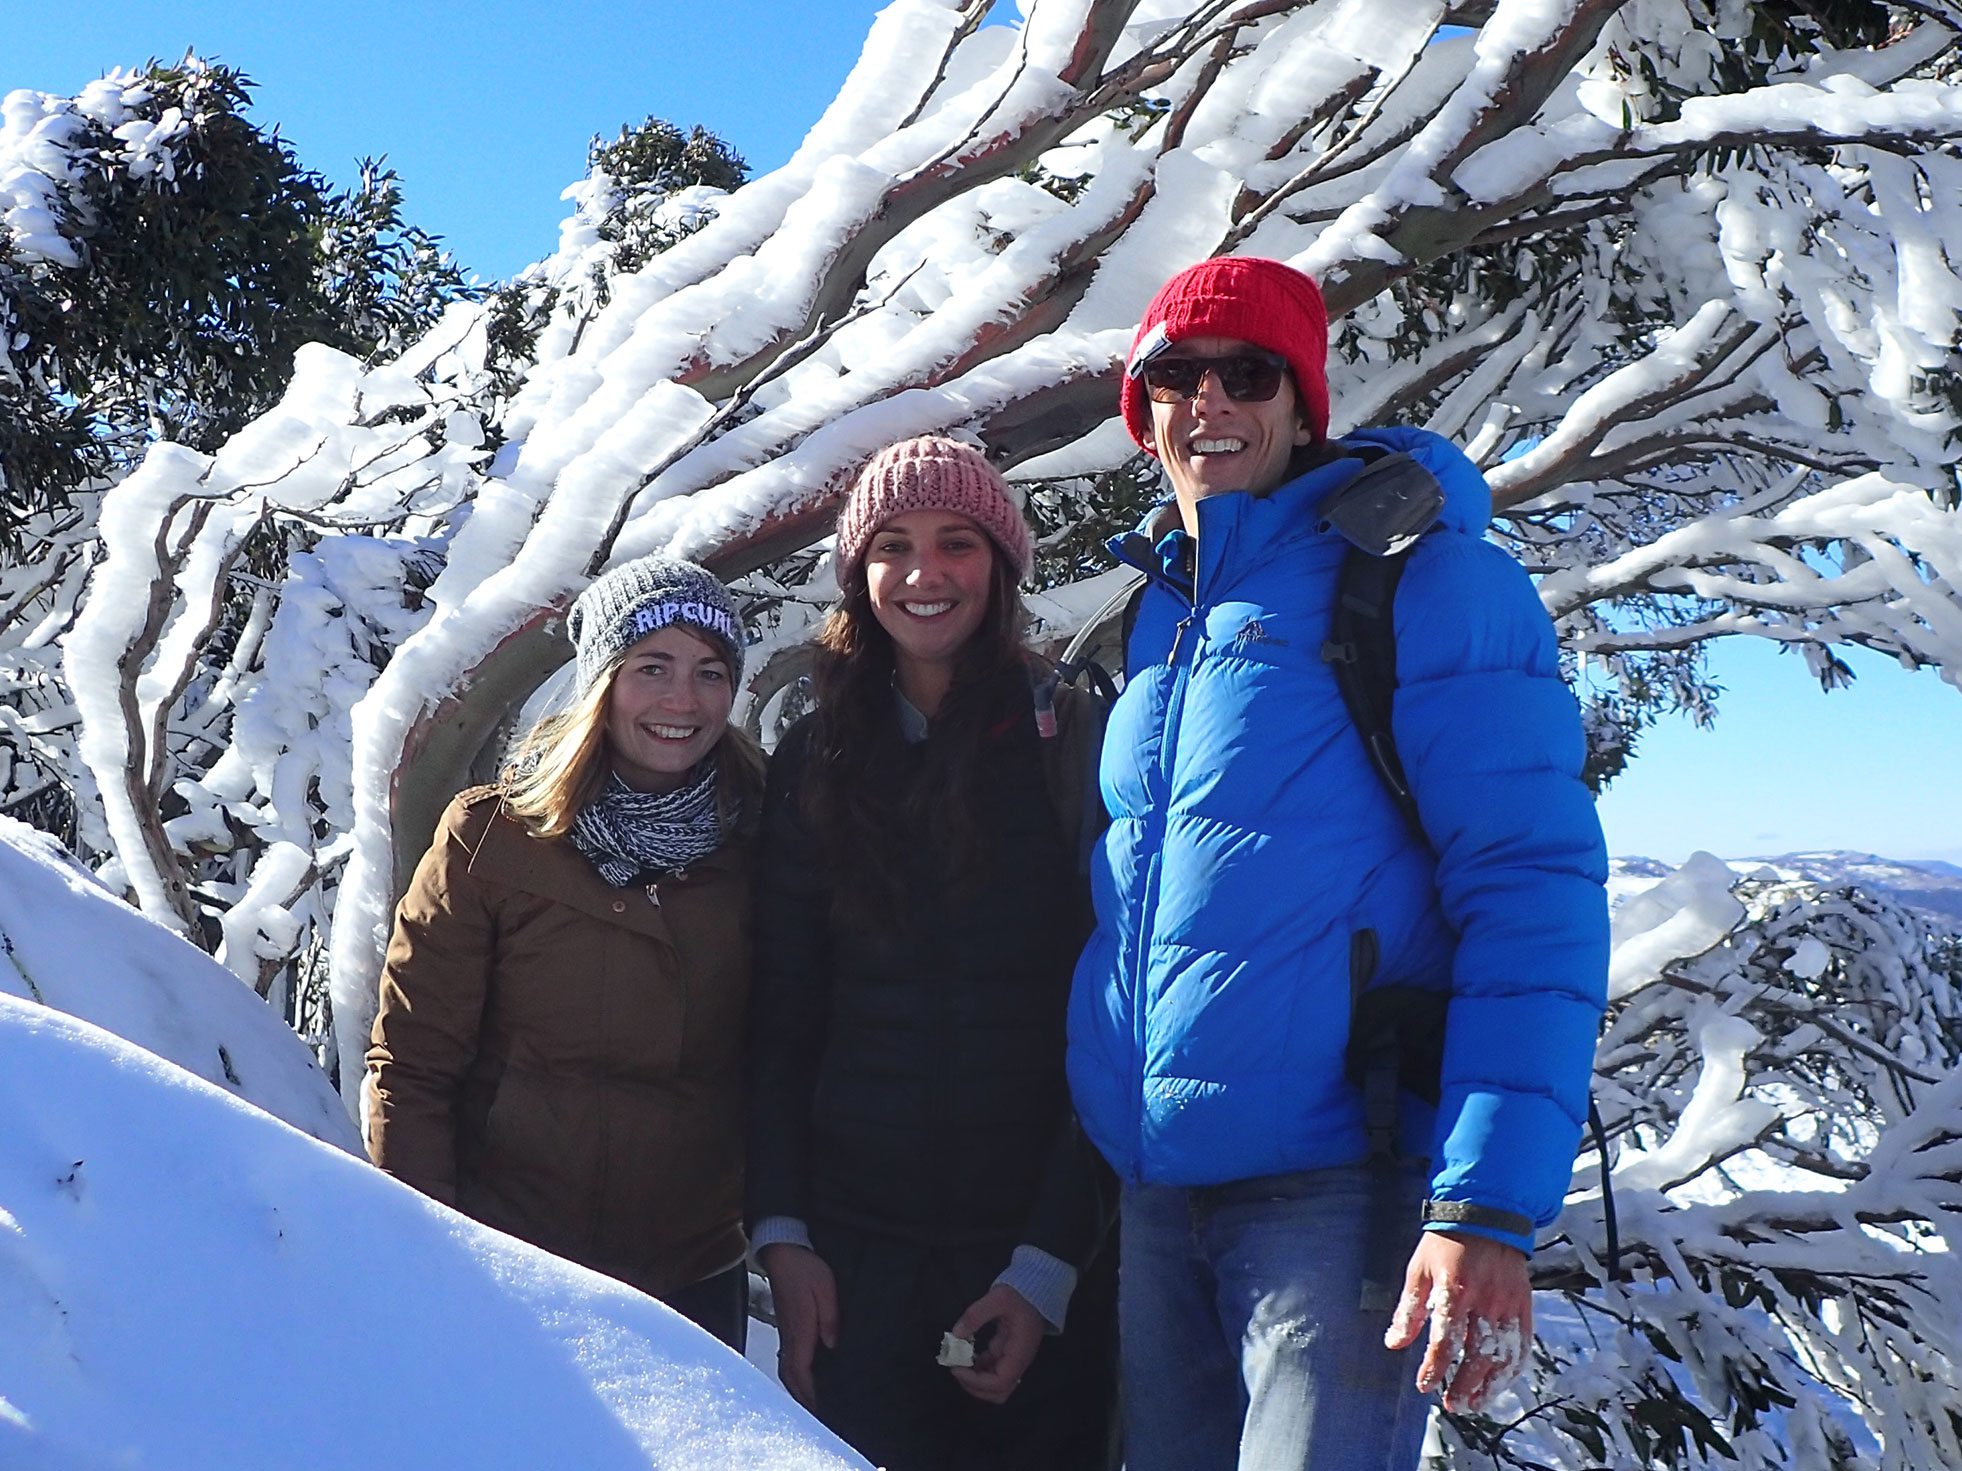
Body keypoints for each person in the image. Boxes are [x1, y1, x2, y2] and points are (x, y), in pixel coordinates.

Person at [1065, 256, 1610, 1470]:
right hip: (1157, 1196)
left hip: (1336, 1190)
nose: (1209, 401)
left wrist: (1486, 1205)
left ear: (1304, 401)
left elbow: (1533, 891)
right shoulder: (1155, 612)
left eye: (1247, 372)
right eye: (1175, 375)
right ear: (1142, 413)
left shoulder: (1424, 578)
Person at [747, 436, 1118, 1470]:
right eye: (893, 546)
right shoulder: (812, 760)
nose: (924, 573)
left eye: (958, 542)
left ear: (1001, 567)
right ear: (857, 577)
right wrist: (785, 1235)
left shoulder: (1076, 746)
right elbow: (781, 1016)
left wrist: (1046, 1266)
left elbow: (1111, 1018)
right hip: (855, 1270)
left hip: (1040, 1262)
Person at [365, 554, 764, 1350]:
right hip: (511, 1261)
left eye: (710, 671)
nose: (684, 700)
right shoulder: (490, 836)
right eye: (653, 667)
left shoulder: (768, 835)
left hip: (688, 1275)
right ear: (602, 680)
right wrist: (430, 1249)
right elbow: (413, 1065)